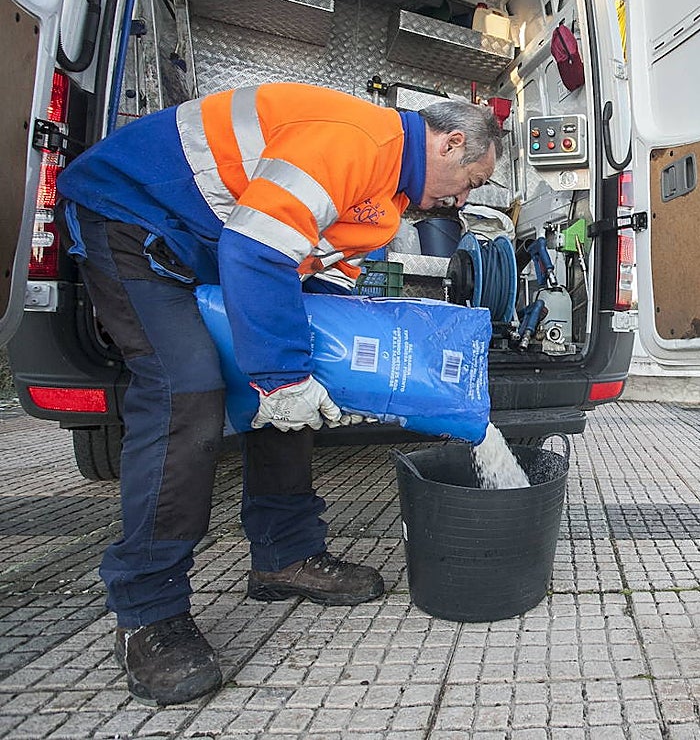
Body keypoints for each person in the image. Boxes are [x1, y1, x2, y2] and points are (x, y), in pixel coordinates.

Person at [56, 84, 504, 706]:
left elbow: (314, 281)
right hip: (132, 215)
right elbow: (257, 249)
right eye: (470, 182)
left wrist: (351, 370)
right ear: (451, 141)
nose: (461, 199)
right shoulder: (360, 142)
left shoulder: (388, 201)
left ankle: (284, 555)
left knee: (292, 375)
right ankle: (147, 613)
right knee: (185, 390)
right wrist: (281, 375)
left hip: (209, 238)